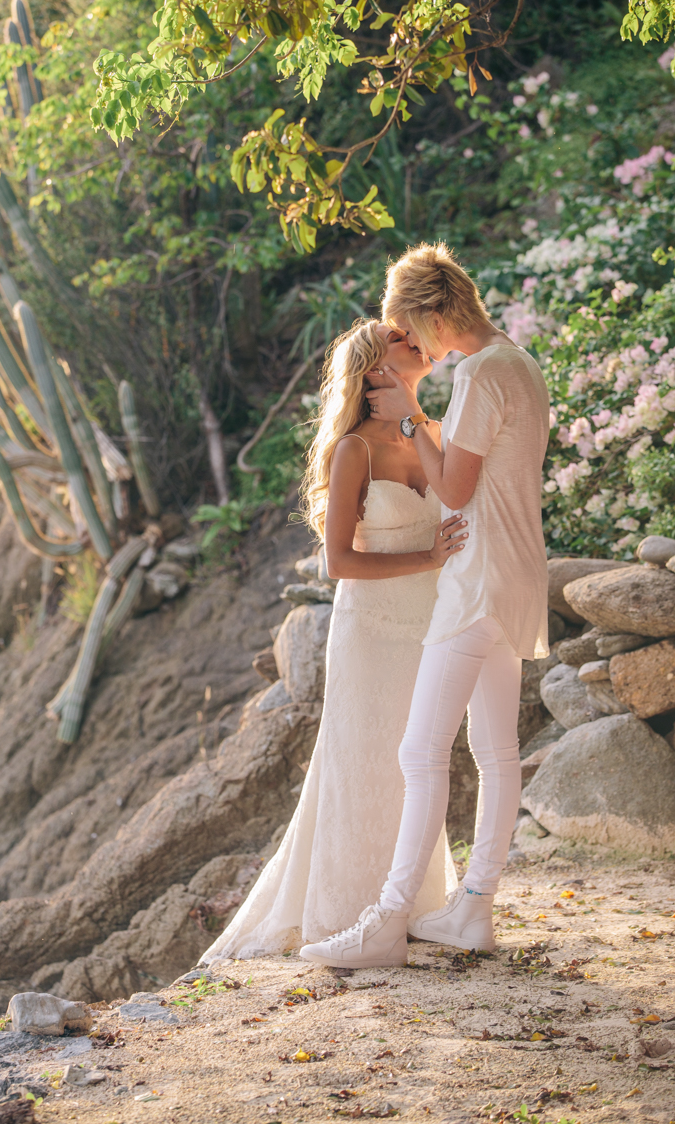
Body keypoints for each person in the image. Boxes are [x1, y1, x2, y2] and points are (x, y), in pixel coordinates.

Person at [300, 242, 550, 969]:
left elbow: (460, 492)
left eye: (410, 326)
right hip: (518, 575)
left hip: (473, 583)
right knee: (497, 752)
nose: (417, 342)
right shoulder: (521, 365)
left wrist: (410, 415)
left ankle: (385, 923)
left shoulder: (476, 374)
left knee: (421, 750)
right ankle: (472, 908)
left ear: (431, 312)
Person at [200, 318, 467, 963]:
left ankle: (414, 906)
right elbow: (339, 562)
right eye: (401, 339)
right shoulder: (355, 451)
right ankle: (346, 914)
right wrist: (428, 558)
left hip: (430, 630)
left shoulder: (433, 432)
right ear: (377, 370)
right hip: (371, 634)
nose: (416, 341)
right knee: (364, 768)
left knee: (419, 770)